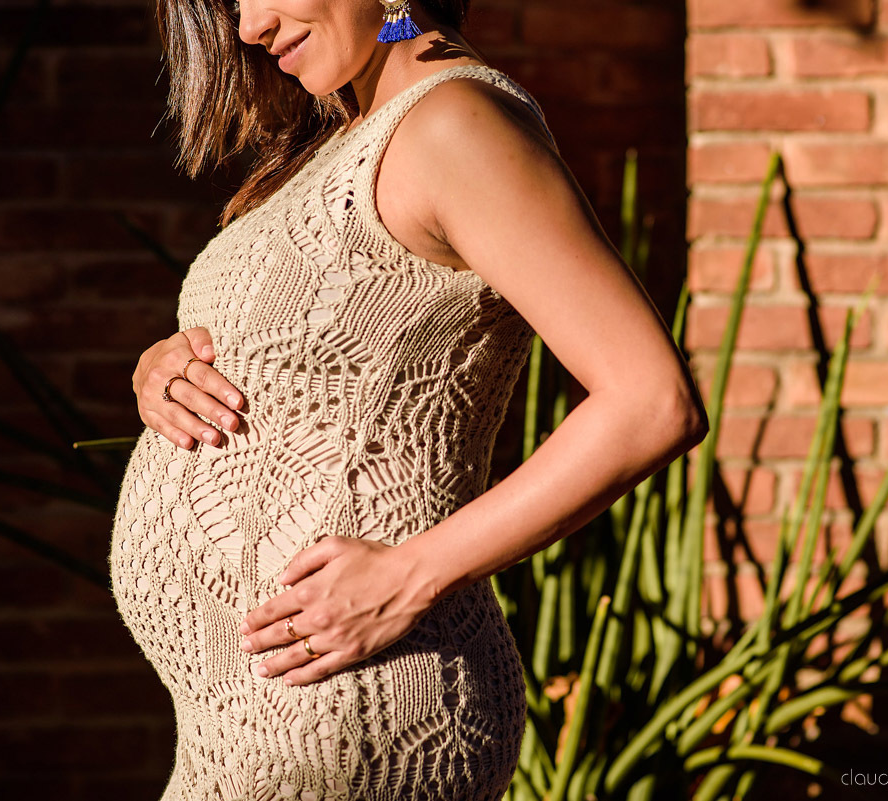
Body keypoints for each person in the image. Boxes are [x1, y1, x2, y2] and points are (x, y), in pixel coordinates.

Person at [110, 0, 709, 797]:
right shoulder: (344, 140)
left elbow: (651, 399)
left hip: (358, 707)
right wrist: (164, 367)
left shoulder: (454, 123)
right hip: (253, 717)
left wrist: (410, 576)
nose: (249, 24)